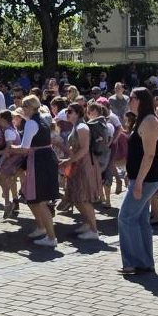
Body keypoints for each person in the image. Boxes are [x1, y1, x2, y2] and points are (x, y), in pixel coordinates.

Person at [119, 88, 158, 276]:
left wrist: (138, 183)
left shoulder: (150, 121)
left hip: (146, 180)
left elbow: (150, 155)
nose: (129, 101)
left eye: (132, 98)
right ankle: (145, 262)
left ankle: (135, 262)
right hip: (141, 178)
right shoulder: (142, 120)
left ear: (141, 100)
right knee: (140, 220)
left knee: (126, 218)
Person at [11, 94, 60, 248]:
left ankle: (51, 237)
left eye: (25, 106)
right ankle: (42, 229)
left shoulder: (32, 123)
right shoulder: (44, 118)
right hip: (45, 158)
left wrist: (10, 148)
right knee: (34, 197)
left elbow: (25, 148)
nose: (22, 109)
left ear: (31, 107)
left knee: (40, 200)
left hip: (39, 161)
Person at [60, 102, 105, 242]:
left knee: (83, 198)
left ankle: (93, 230)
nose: (67, 113)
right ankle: (88, 224)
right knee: (76, 197)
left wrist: (68, 161)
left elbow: (84, 149)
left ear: (78, 113)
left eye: (70, 111)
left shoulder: (82, 127)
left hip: (84, 165)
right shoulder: (76, 126)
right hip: (78, 164)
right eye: (67, 111)